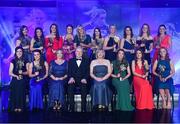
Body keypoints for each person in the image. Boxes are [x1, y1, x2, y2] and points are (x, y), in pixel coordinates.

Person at [67, 46, 90, 112]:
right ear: (75, 52)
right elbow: (69, 71)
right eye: (77, 51)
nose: (79, 53)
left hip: (82, 79)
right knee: (70, 88)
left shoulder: (87, 61)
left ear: (82, 53)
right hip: (73, 79)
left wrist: (85, 78)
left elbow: (88, 71)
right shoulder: (71, 61)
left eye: (80, 51)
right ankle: (71, 107)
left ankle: (83, 108)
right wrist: (71, 77)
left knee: (84, 88)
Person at [9, 47, 29, 112]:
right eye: (17, 51)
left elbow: (28, 72)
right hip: (15, 78)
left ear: (22, 52)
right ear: (16, 52)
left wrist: (23, 73)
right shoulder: (13, 61)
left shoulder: (26, 61)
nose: (19, 53)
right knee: (14, 86)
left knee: (21, 86)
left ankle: (20, 106)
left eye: (20, 51)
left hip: (23, 78)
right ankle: (15, 106)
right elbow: (10, 72)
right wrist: (16, 76)